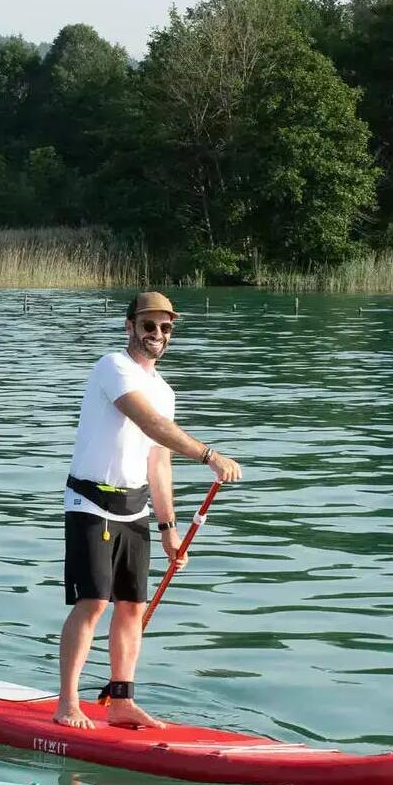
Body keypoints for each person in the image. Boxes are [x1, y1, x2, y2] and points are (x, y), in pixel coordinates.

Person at [58, 289, 241, 729]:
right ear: (130, 328)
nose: (157, 334)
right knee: (94, 601)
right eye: (148, 325)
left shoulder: (165, 390)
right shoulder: (112, 367)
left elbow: (158, 459)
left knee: (132, 606)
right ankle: (68, 703)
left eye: (165, 327)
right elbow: (150, 423)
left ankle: (121, 701)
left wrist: (167, 528)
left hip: (135, 506)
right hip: (90, 501)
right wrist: (209, 455)